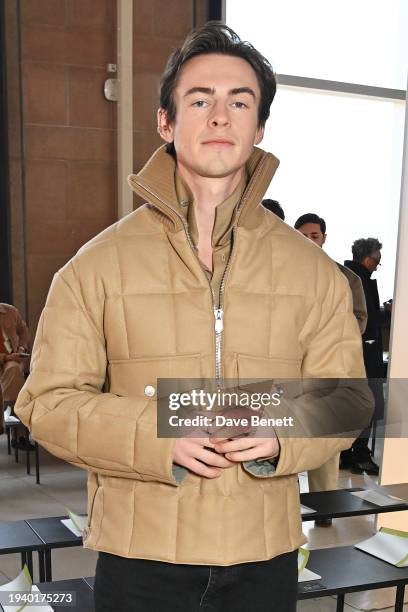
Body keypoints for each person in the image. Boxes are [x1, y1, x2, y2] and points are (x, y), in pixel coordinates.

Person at [16, 23, 371, 612]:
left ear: (259, 128)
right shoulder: (96, 267)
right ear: (165, 122)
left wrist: (282, 427)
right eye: (199, 100)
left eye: (239, 102)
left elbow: (349, 399)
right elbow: (45, 404)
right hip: (141, 555)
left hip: (265, 554)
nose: (219, 116)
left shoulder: (312, 272)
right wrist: (160, 432)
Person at [294, 213, 368, 525]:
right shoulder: (282, 273)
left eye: (314, 235)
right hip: (288, 373)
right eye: (303, 235)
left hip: (327, 374)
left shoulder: (346, 277)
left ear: (324, 238)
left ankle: (324, 514)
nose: (309, 240)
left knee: (324, 447)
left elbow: (360, 320)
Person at [343, 238, 391, 475]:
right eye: (377, 261)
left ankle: (346, 454)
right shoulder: (359, 280)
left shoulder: (347, 275)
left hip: (351, 354)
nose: (378, 266)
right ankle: (360, 455)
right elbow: (368, 321)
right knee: (369, 404)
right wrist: (390, 313)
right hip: (363, 354)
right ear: (367, 258)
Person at [0, 303, 31, 446]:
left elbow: (23, 329)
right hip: (4, 358)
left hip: (10, 361)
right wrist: (5, 358)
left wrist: (22, 347)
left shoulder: (10, 311)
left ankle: (19, 435)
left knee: (14, 370)